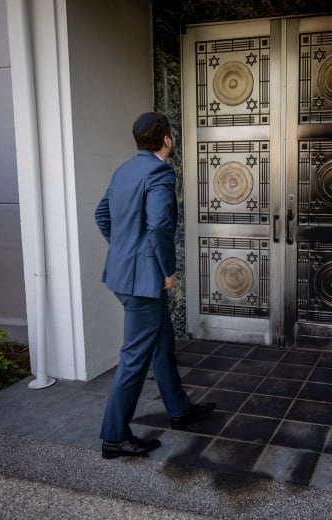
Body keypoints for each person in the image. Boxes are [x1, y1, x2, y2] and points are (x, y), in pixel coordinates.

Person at [95, 112, 215, 459]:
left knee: (162, 342)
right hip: (144, 280)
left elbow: (101, 215)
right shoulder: (160, 171)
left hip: (124, 275)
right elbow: (161, 223)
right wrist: (165, 267)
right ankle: (114, 437)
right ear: (167, 139)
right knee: (134, 358)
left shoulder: (124, 171)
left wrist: (123, 250)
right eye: (172, 135)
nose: (173, 139)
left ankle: (179, 409)